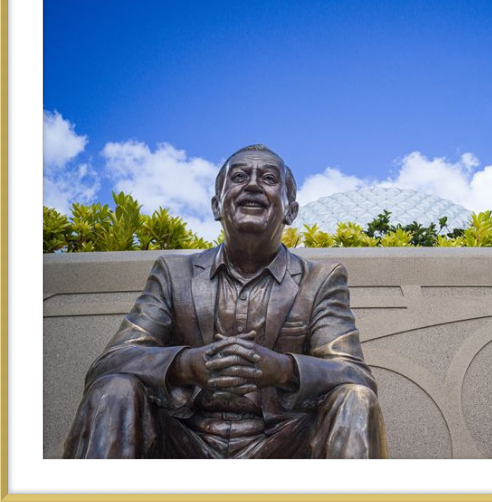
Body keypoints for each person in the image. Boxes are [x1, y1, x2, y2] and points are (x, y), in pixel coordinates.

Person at [63, 144, 388, 459]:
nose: (253, 185)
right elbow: (110, 363)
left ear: (291, 210)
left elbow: (355, 374)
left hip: (283, 444)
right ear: (217, 205)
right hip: (181, 441)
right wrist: (185, 365)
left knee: (355, 398)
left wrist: (283, 369)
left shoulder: (320, 280)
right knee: (113, 388)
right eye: (239, 177)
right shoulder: (174, 273)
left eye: (269, 179)